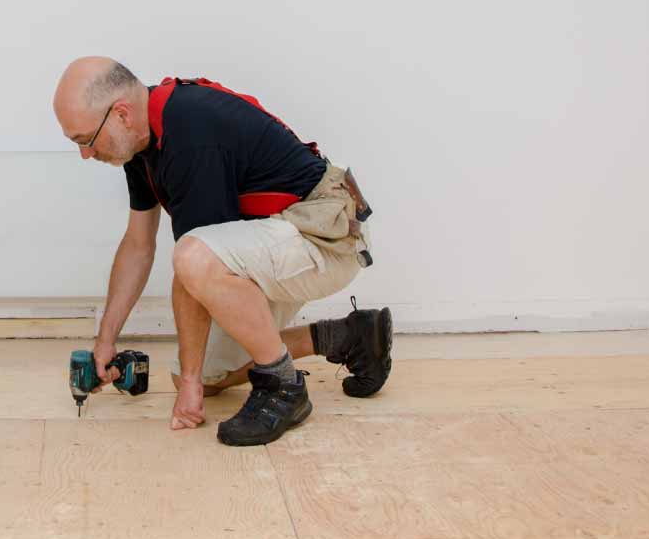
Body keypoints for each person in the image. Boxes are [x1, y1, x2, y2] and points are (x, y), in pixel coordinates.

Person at [51, 56, 394, 446]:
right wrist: (106, 341)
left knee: (194, 258)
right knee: (202, 376)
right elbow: (137, 246)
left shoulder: (190, 132)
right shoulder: (141, 147)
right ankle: (348, 336)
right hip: (279, 236)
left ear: (121, 115)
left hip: (324, 234)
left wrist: (190, 388)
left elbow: (196, 263)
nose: (85, 154)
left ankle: (283, 387)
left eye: (85, 140)